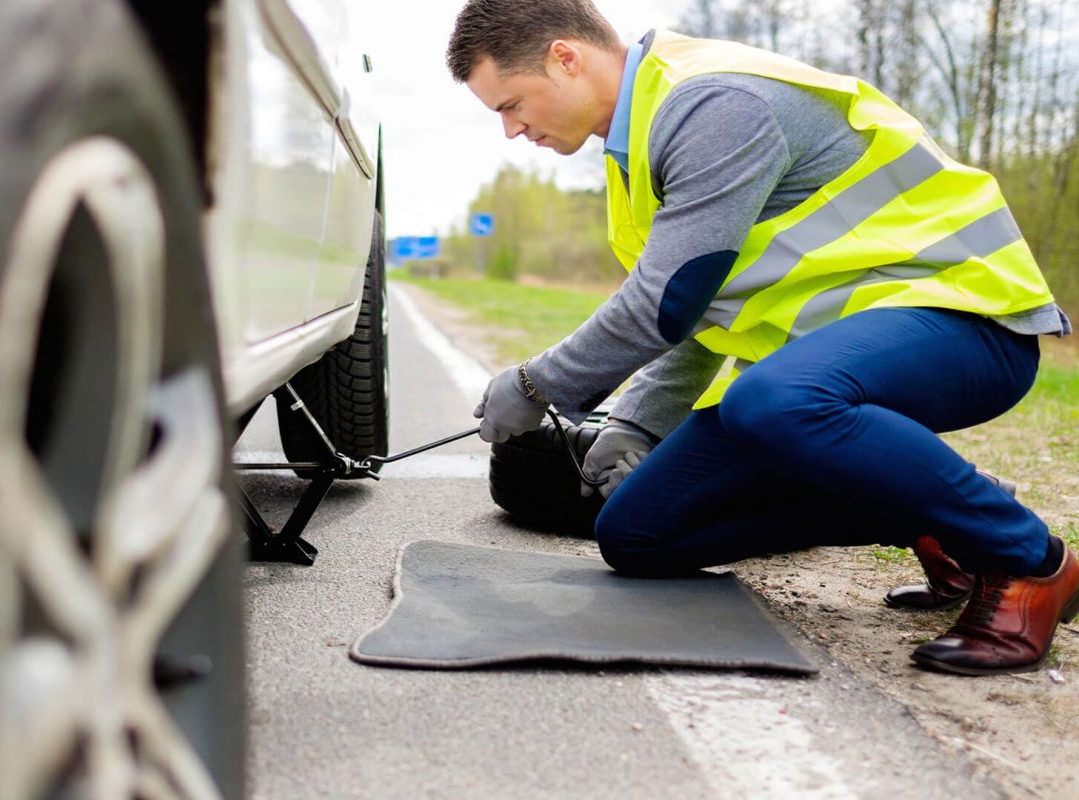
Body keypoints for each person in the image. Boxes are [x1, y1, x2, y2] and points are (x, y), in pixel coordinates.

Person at [449, 0, 1077, 676]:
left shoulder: (713, 104)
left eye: (510, 105)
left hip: (967, 324)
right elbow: (700, 308)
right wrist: (636, 421)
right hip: (828, 371)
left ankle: (1029, 560)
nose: (513, 130)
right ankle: (937, 514)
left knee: (767, 402)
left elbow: (665, 299)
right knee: (638, 534)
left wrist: (536, 384)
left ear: (564, 58)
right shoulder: (633, 151)